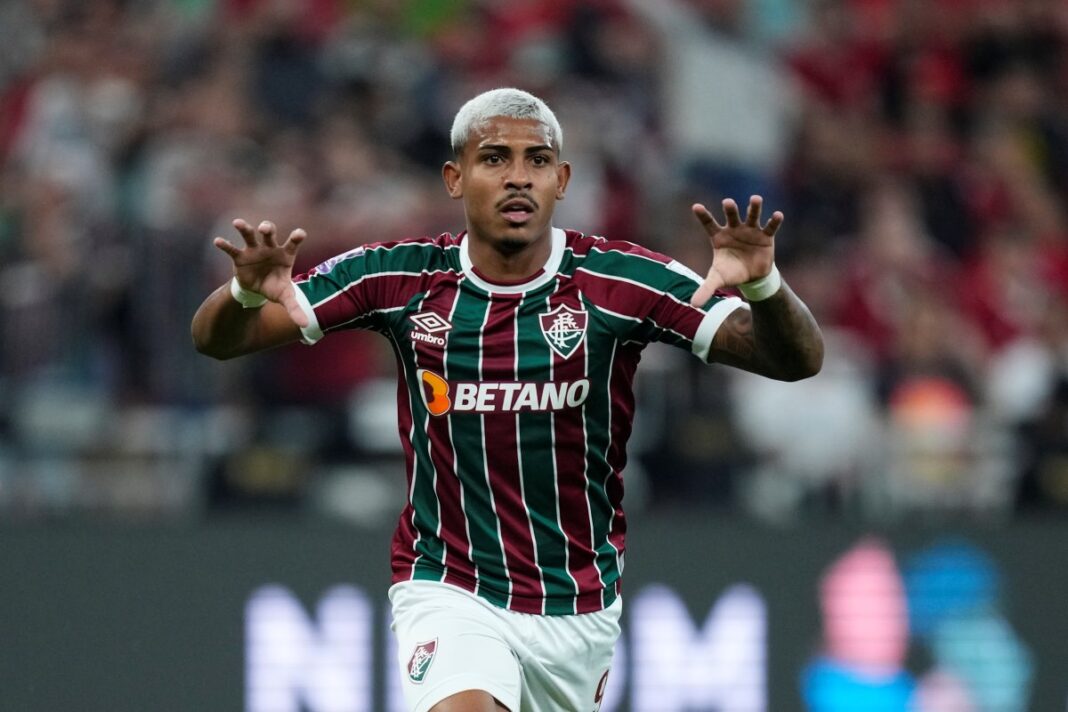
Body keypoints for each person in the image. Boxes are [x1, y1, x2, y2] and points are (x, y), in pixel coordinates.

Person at [191, 87, 823, 712]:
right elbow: (220, 340)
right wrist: (244, 294)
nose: (518, 177)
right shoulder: (403, 277)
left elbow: (796, 359)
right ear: (455, 178)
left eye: (537, 160)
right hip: (448, 583)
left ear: (562, 179)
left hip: (577, 603)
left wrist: (765, 286)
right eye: (494, 158)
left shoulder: (620, 281)